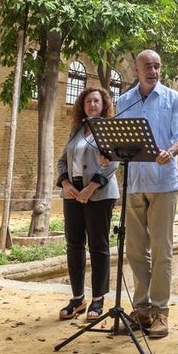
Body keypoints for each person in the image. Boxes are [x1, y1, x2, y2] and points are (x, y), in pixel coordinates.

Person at [116, 49, 178, 339]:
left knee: (161, 250)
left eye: (157, 66)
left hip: (163, 183)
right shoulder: (123, 101)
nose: (153, 70)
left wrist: (169, 152)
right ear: (136, 70)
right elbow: (120, 139)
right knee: (135, 251)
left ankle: (160, 312)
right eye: (148, 66)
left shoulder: (173, 98)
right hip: (134, 183)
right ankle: (142, 309)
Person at [55, 86, 120, 323]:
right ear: (82, 105)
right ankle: (78, 298)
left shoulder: (108, 129)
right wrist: (66, 184)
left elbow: (113, 162)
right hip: (72, 194)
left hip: (99, 194)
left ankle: (99, 298)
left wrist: (91, 188)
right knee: (74, 244)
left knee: (98, 245)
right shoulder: (76, 130)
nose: (92, 105)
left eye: (96, 101)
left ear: (104, 105)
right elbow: (63, 161)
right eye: (88, 101)